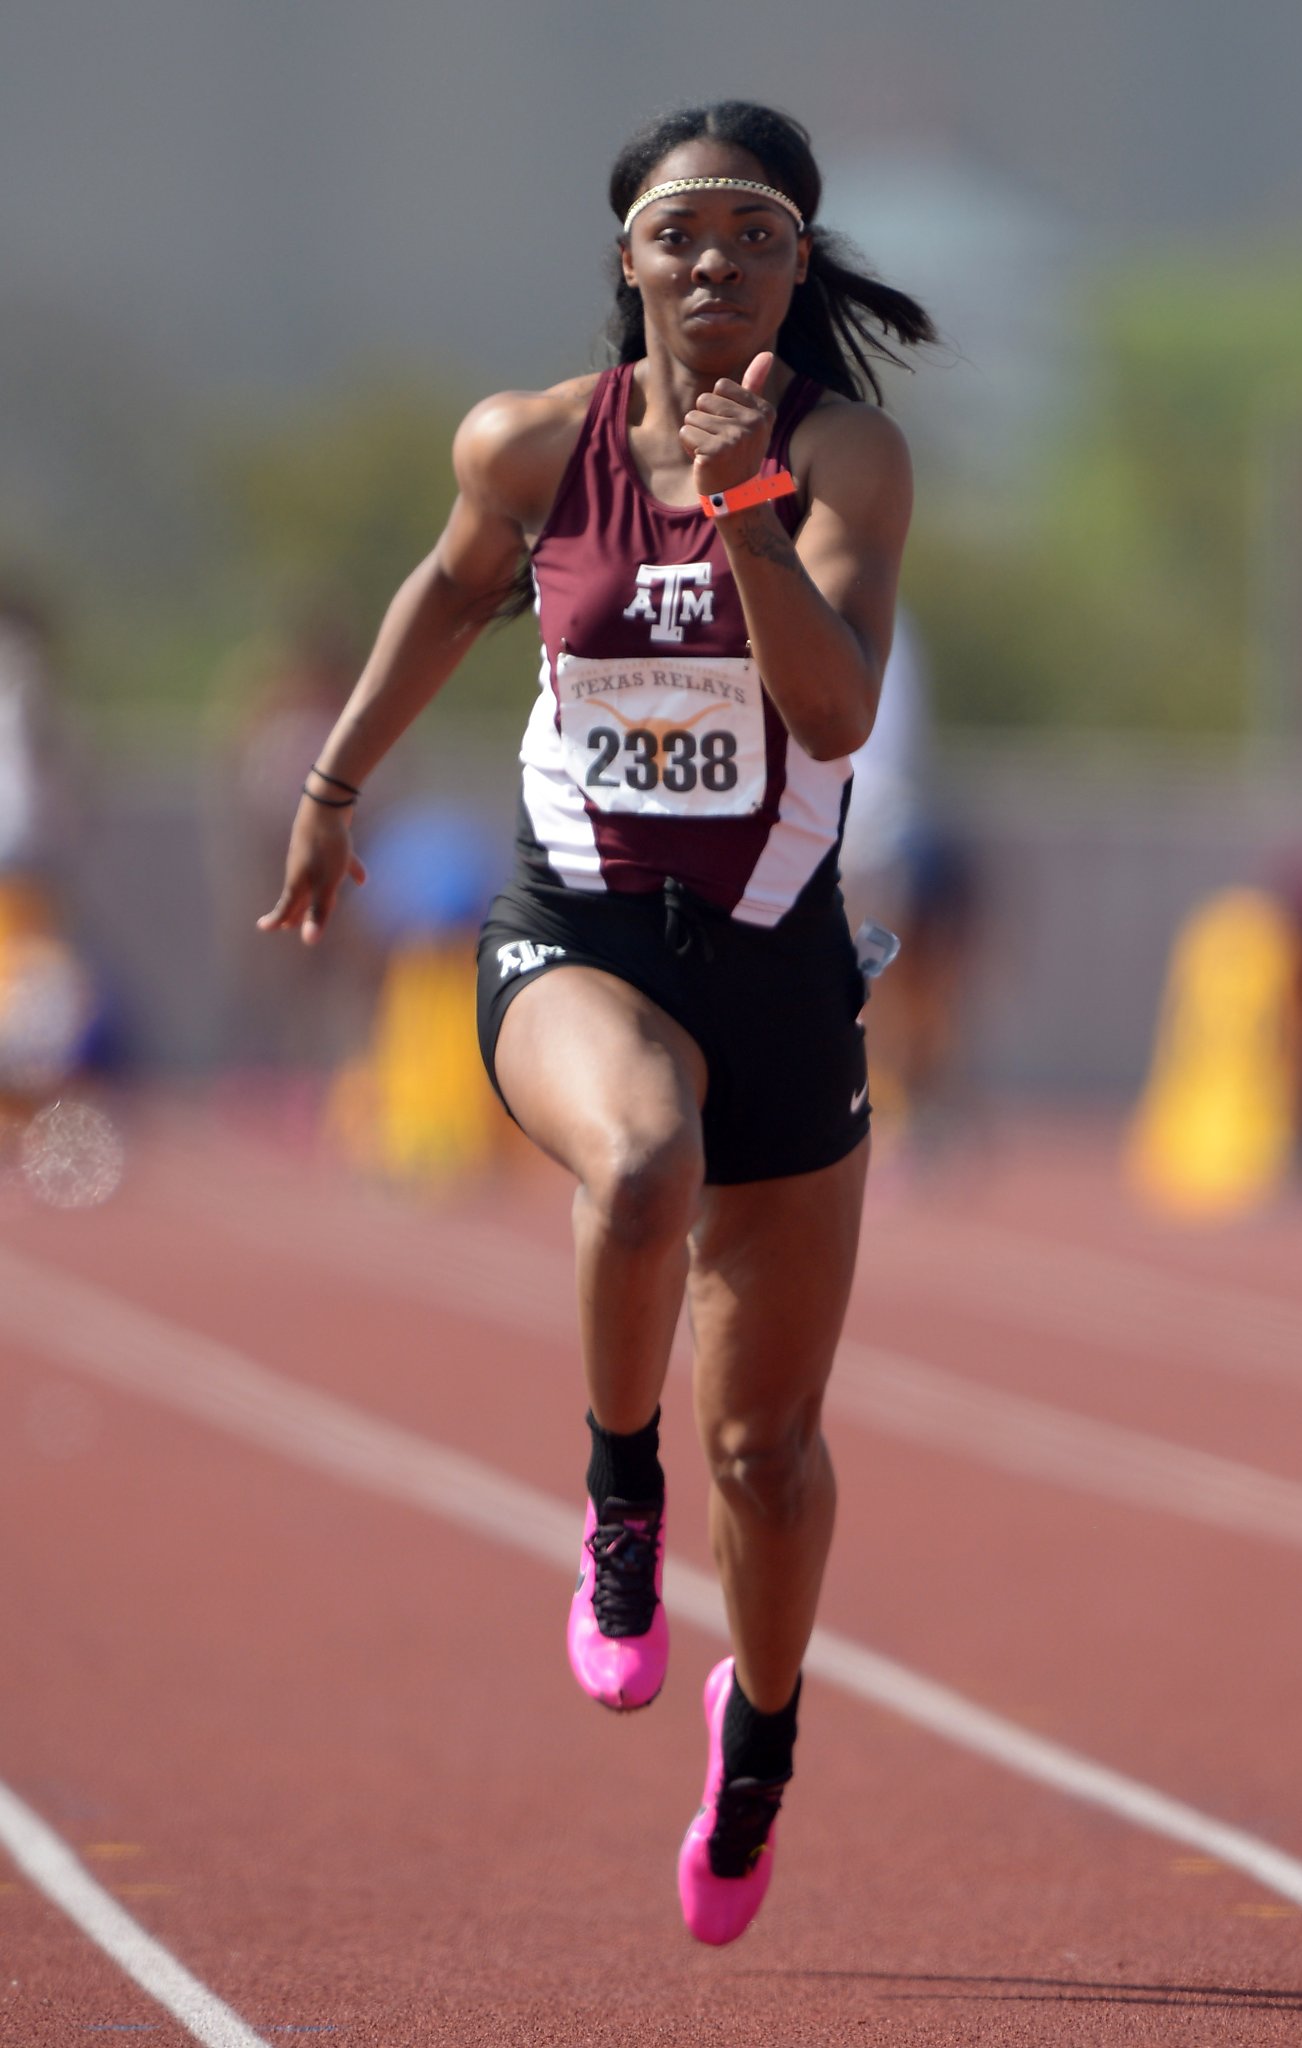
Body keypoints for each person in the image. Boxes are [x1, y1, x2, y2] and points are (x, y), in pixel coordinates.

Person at [259, 100, 935, 1945]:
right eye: (682, 234)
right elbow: (448, 591)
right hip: (578, 930)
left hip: (782, 959)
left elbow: (835, 719)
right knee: (640, 1158)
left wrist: (744, 522)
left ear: (800, 272)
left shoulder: (846, 458)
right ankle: (614, 1500)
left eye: (756, 239)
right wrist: (333, 792)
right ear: (629, 256)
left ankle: (763, 1741)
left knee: (772, 1456)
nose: (716, 266)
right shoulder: (530, 442)